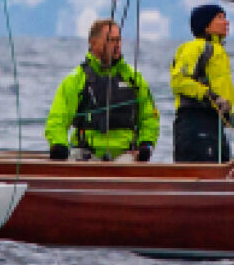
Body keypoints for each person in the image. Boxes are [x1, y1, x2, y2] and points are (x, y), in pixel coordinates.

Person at [44, 18, 159, 163]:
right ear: (93, 43)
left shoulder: (134, 79)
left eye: (119, 40)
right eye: (110, 40)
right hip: (86, 154)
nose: (117, 45)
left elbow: (149, 117)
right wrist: (58, 144)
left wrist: (146, 145)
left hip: (125, 155)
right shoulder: (76, 79)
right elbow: (58, 118)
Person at [168, 4, 234, 165]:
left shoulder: (219, 52)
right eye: (220, 17)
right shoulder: (195, 48)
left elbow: (220, 109)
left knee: (220, 175)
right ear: (206, 25)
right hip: (194, 129)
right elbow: (179, 81)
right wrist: (212, 96)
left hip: (213, 130)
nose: (226, 22)